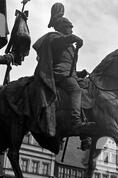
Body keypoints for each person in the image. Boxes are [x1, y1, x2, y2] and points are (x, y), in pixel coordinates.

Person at [33, 3, 96, 138]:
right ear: (63, 27)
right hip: (58, 73)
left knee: (87, 90)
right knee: (76, 90)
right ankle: (76, 122)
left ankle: (85, 133)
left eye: (72, 30)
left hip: (69, 74)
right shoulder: (53, 38)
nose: (71, 31)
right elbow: (60, 44)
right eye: (69, 28)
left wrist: (79, 73)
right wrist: (74, 38)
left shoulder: (68, 45)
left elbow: (70, 66)